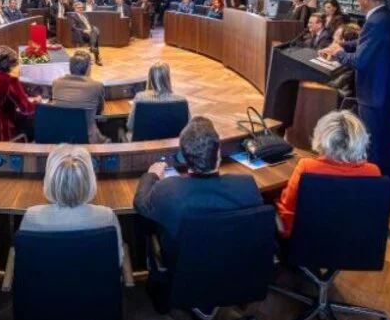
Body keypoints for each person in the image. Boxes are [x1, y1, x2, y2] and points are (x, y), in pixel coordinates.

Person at [318, 0, 390, 202]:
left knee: (378, 149)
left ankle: (376, 199)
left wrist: (338, 53)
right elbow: (367, 44)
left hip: (378, 94)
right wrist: (342, 46)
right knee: (386, 144)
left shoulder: (375, 22)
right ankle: (384, 193)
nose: (357, 0)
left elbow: (361, 61)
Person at [134, 117, 263, 271]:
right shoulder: (247, 186)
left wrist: (152, 175)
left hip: (186, 281)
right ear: (218, 155)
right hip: (237, 274)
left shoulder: (168, 190)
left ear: (183, 157)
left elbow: (140, 203)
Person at [275, 110, 381, 238]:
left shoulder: (307, 168)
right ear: (362, 140)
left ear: (322, 139)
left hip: (309, 246)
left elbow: (287, 215)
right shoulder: (373, 172)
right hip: (355, 246)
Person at [19, 144, 124, 263]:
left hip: (45, 281)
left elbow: (24, 261)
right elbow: (118, 260)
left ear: (50, 179)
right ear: (90, 179)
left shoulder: (32, 217)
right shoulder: (107, 217)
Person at [49, 50, 107, 144]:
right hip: (88, 140)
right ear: (88, 68)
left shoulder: (56, 83)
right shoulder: (97, 86)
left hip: (61, 138)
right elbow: (100, 110)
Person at [127, 62, 188, 140]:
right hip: (170, 149)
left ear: (150, 78)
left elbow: (130, 126)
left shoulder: (140, 98)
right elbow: (187, 129)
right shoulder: (182, 100)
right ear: (168, 78)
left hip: (144, 147)